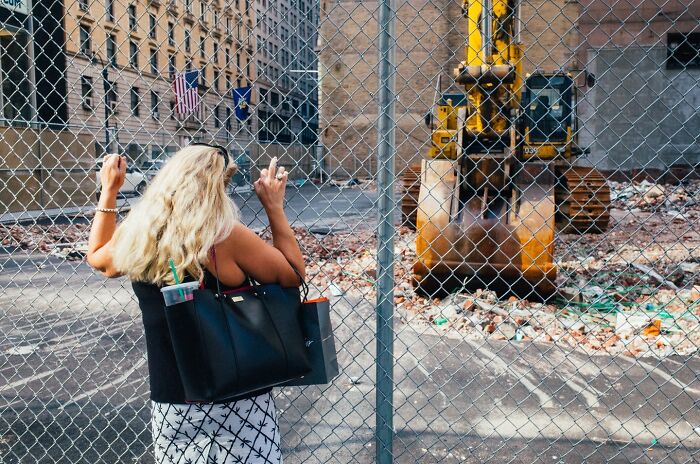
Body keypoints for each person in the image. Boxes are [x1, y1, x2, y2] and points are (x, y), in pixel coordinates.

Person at [86, 146, 304, 464]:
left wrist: (109, 191)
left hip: (173, 401)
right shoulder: (226, 236)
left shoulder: (139, 235)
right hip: (240, 397)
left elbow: (99, 259)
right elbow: (293, 275)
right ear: (216, 188)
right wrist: (274, 208)